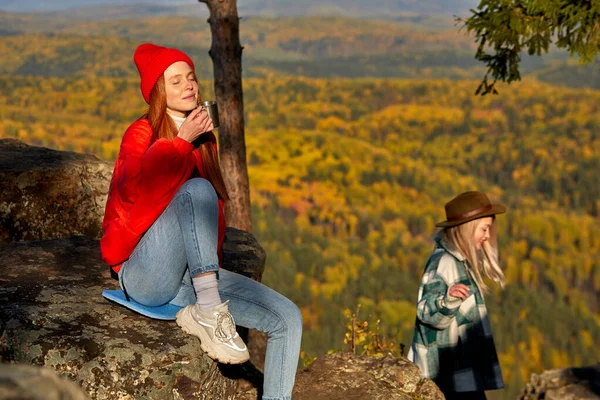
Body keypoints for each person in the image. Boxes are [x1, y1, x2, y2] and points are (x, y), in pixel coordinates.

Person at [100, 43, 302, 400]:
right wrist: (179, 143)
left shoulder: (202, 140)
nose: (189, 86)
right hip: (145, 274)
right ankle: (210, 311)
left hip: (192, 280)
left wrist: (191, 142)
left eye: (191, 78)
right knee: (196, 191)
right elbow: (135, 202)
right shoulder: (141, 134)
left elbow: (207, 226)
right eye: (175, 81)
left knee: (288, 317)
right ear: (157, 93)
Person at [408, 191, 506, 400]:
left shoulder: (459, 263)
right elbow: (426, 311)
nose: (487, 235)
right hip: (447, 377)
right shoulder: (445, 263)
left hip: (461, 375)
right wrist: (447, 300)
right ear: (467, 229)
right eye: (484, 229)